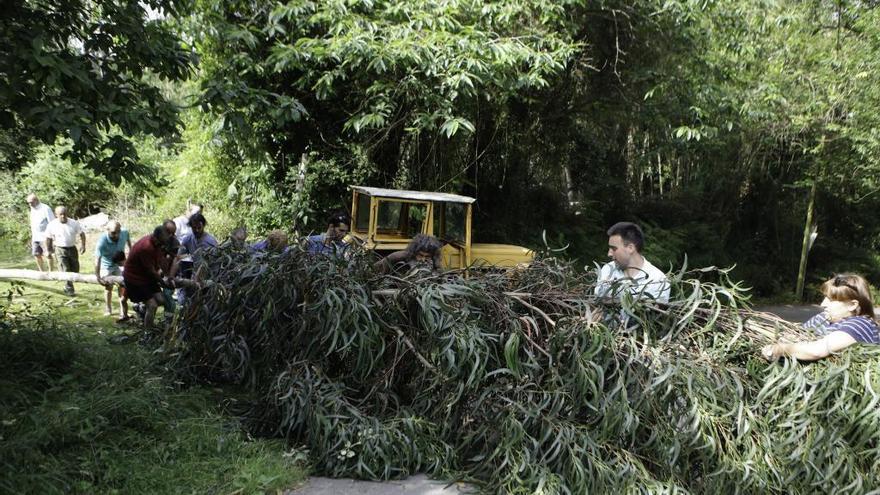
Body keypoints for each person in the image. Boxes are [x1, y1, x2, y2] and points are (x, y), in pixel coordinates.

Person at [762, 273, 880, 362]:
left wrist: (780, 349)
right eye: (824, 298)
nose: (823, 304)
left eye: (831, 300)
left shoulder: (861, 325)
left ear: (852, 305)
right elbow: (796, 334)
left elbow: (817, 351)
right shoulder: (823, 318)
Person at [594, 222, 670, 303]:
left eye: (614, 248)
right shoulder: (607, 270)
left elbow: (655, 312)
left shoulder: (657, 280)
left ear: (630, 248)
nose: (609, 253)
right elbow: (597, 304)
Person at [124, 226, 173, 330]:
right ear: (155, 238)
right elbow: (151, 271)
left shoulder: (158, 244)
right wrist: (163, 283)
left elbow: (161, 261)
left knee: (161, 300)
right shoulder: (146, 247)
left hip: (146, 277)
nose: (162, 246)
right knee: (152, 305)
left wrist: (168, 276)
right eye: (161, 243)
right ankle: (148, 332)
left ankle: (142, 309)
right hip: (134, 279)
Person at [94, 220, 132, 321]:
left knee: (122, 286)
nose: (117, 235)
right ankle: (108, 308)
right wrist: (98, 277)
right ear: (107, 230)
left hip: (119, 264)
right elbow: (97, 259)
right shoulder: (101, 242)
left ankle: (122, 310)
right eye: (114, 232)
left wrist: (130, 257)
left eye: (118, 231)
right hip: (106, 266)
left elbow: (129, 244)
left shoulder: (124, 233)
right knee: (108, 287)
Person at [177, 212, 217, 305]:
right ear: (191, 227)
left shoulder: (210, 241)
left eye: (199, 227)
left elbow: (212, 263)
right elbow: (179, 257)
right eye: (194, 228)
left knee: (205, 302)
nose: (197, 230)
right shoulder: (187, 239)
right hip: (194, 274)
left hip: (209, 275)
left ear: (203, 225)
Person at [44, 206, 86, 296]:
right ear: (56, 215)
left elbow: (82, 234)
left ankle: (69, 284)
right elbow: (48, 238)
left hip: (72, 248)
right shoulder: (52, 225)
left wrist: (83, 245)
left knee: (75, 269)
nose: (63, 216)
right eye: (60, 214)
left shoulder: (74, 223)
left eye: (64, 214)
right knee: (65, 269)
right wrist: (48, 250)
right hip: (60, 249)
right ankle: (69, 288)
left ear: (67, 213)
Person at [374, 234, 443, 275]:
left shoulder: (435, 263)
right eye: (420, 255)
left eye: (427, 256)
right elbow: (376, 271)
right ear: (414, 253)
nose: (423, 260)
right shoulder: (397, 257)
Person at [27, 193, 55, 272]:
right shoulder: (32, 209)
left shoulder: (46, 208)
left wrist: (52, 236)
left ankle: (51, 272)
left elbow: (52, 222)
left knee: (48, 254)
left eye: (31, 202)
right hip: (35, 236)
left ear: (36, 200)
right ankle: (41, 271)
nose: (30, 204)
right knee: (36, 254)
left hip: (45, 236)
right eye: (29, 203)